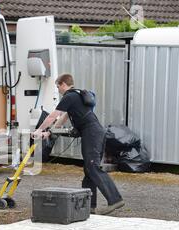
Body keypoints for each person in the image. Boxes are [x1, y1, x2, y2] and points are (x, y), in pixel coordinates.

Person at [32, 74, 125, 215]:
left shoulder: (69, 96)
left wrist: (39, 130)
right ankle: (90, 206)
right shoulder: (76, 96)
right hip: (95, 133)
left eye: (58, 87)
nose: (58, 90)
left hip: (92, 134)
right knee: (89, 170)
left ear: (63, 84)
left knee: (92, 166)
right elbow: (62, 120)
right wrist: (48, 133)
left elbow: (52, 116)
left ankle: (115, 199)